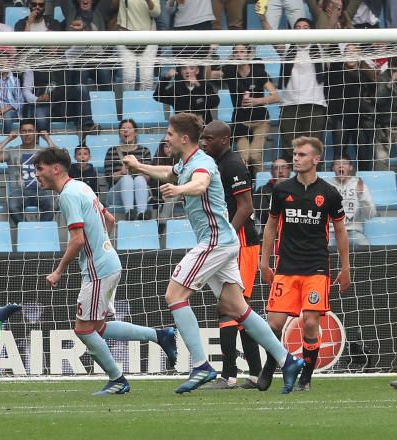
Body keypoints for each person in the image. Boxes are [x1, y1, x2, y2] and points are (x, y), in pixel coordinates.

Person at [123, 112, 304, 394]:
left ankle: (200, 366)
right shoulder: (187, 162)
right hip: (223, 241)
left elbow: (200, 184)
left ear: (184, 138)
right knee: (237, 308)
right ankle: (287, 359)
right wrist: (138, 165)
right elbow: (170, 172)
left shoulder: (204, 163)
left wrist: (180, 189)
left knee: (174, 295)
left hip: (215, 240)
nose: (166, 139)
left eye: (170, 135)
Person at [35, 147, 178, 395]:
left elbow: (77, 239)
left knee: (83, 329)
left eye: (39, 169)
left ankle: (118, 379)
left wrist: (58, 271)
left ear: (55, 168)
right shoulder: (82, 187)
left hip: (99, 269)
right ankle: (160, 335)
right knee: (97, 327)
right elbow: (109, 219)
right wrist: (102, 247)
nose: (37, 174)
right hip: (108, 262)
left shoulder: (68, 195)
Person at [259, 136, 351, 392]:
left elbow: (341, 232)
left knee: (310, 323)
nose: (295, 158)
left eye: (301, 155)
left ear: (316, 159)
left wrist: (346, 268)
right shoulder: (282, 190)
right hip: (286, 266)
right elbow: (271, 226)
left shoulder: (329, 193)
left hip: (316, 268)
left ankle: (306, 378)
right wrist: (264, 262)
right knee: (273, 324)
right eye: (295, 154)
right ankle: (269, 367)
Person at [199, 121, 264, 390]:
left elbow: (246, 207)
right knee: (238, 309)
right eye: (201, 138)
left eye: (209, 138)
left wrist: (226, 237)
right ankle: (257, 373)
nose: (204, 142)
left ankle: (229, 375)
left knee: (232, 307)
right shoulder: (215, 163)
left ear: (224, 140)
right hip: (230, 242)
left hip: (242, 243)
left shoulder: (234, 165)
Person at [211, 44, 280, 172]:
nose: (239, 54)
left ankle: (259, 190)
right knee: (244, 156)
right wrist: (210, 53)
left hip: (261, 121)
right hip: (240, 122)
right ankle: (245, 188)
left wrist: (256, 101)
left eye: (242, 51)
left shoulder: (258, 71)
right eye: (236, 52)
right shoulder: (230, 71)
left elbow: (276, 97)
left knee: (255, 155)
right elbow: (208, 75)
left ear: (248, 54)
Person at [276, 18, 328, 160]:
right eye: (298, 27)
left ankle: (313, 180)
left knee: (313, 149)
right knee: (290, 149)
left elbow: (329, 27)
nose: (301, 30)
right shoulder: (287, 48)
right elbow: (272, 39)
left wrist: (335, 8)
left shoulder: (320, 47)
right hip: (289, 106)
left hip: (315, 106)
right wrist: (262, 18)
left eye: (305, 27)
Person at [0, 120, 57, 225]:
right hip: (19, 191)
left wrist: (47, 139)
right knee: (12, 206)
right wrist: (8, 139)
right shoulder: (12, 151)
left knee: (53, 204)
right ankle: (25, 228)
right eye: (24, 131)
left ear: (35, 132)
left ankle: (41, 229)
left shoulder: (43, 152)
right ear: (20, 133)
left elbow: (58, 158)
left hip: (41, 190)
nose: (27, 134)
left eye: (30, 131)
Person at [104, 119, 152, 220]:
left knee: (139, 179)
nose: (126, 131)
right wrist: (121, 172)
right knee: (126, 179)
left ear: (135, 132)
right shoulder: (111, 151)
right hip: (116, 195)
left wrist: (137, 168)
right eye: (123, 129)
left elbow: (148, 177)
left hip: (140, 194)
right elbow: (108, 177)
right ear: (119, 133)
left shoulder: (144, 151)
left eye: (129, 128)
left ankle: (141, 213)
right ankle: (129, 212)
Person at [326, 154, 376, 247]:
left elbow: (370, 215)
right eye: (337, 164)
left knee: (365, 247)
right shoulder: (326, 186)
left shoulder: (359, 185)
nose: (341, 166)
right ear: (332, 168)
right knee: (323, 248)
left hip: (353, 231)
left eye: (344, 163)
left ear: (350, 167)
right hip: (332, 231)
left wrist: (361, 196)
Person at [116, 0, 160, 92]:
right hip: (125, 34)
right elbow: (113, 5)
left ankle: (145, 105)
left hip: (149, 36)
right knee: (129, 78)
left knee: (147, 79)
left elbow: (156, 13)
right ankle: (129, 105)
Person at [155, 65, 220, 124]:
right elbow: (158, 96)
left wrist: (199, 86)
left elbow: (215, 103)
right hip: (182, 128)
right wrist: (166, 78)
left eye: (191, 68)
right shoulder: (176, 88)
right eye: (184, 68)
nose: (187, 71)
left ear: (197, 71)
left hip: (203, 128)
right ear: (180, 71)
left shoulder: (205, 86)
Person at [254, 158, 291, 231]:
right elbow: (262, 215)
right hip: (271, 230)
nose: (280, 171)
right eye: (276, 168)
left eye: (283, 167)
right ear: (271, 172)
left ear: (289, 171)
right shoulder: (262, 191)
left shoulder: (297, 189)